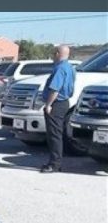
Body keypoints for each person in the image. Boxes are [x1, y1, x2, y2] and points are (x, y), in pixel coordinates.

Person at [40, 45, 76, 173]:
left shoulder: (60, 69)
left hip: (56, 104)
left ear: (57, 53)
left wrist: (48, 104)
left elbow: (55, 88)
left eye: (53, 53)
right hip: (64, 102)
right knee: (58, 134)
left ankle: (54, 164)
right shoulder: (70, 68)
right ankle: (56, 162)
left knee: (54, 135)